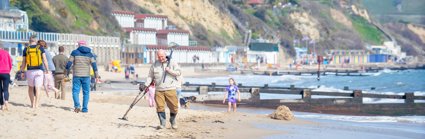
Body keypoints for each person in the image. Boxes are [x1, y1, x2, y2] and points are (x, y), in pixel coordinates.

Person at [144, 49, 181, 129]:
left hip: (170, 88)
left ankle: (172, 120)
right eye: (159, 57)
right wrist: (145, 85)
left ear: (165, 55)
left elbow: (178, 73)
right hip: (159, 90)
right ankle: (162, 123)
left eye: (162, 56)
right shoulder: (155, 64)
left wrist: (169, 70)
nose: (160, 58)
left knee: (174, 107)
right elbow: (150, 76)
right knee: (160, 107)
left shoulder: (172, 62)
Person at [66, 40, 99, 113]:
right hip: (86, 76)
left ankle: (77, 106)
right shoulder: (90, 54)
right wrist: (96, 76)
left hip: (77, 75)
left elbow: (69, 64)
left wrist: (67, 72)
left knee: (75, 91)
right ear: (85, 45)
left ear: (78, 45)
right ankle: (84, 109)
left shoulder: (74, 52)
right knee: (86, 93)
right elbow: (94, 66)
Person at [20, 35, 50, 109]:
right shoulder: (40, 48)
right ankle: (36, 105)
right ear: (36, 41)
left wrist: (22, 71)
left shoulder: (26, 49)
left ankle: (32, 104)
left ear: (29, 40)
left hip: (30, 70)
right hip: (39, 70)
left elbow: (24, 62)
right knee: (38, 88)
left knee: (30, 88)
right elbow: (45, 60)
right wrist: (47, 70)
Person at [0, 42, 12, 111]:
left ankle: (1, 105)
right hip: (6, 72)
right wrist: (8, 70)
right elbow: (10, 63)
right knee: (5, 89)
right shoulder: (6, 53)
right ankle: (6, 102)